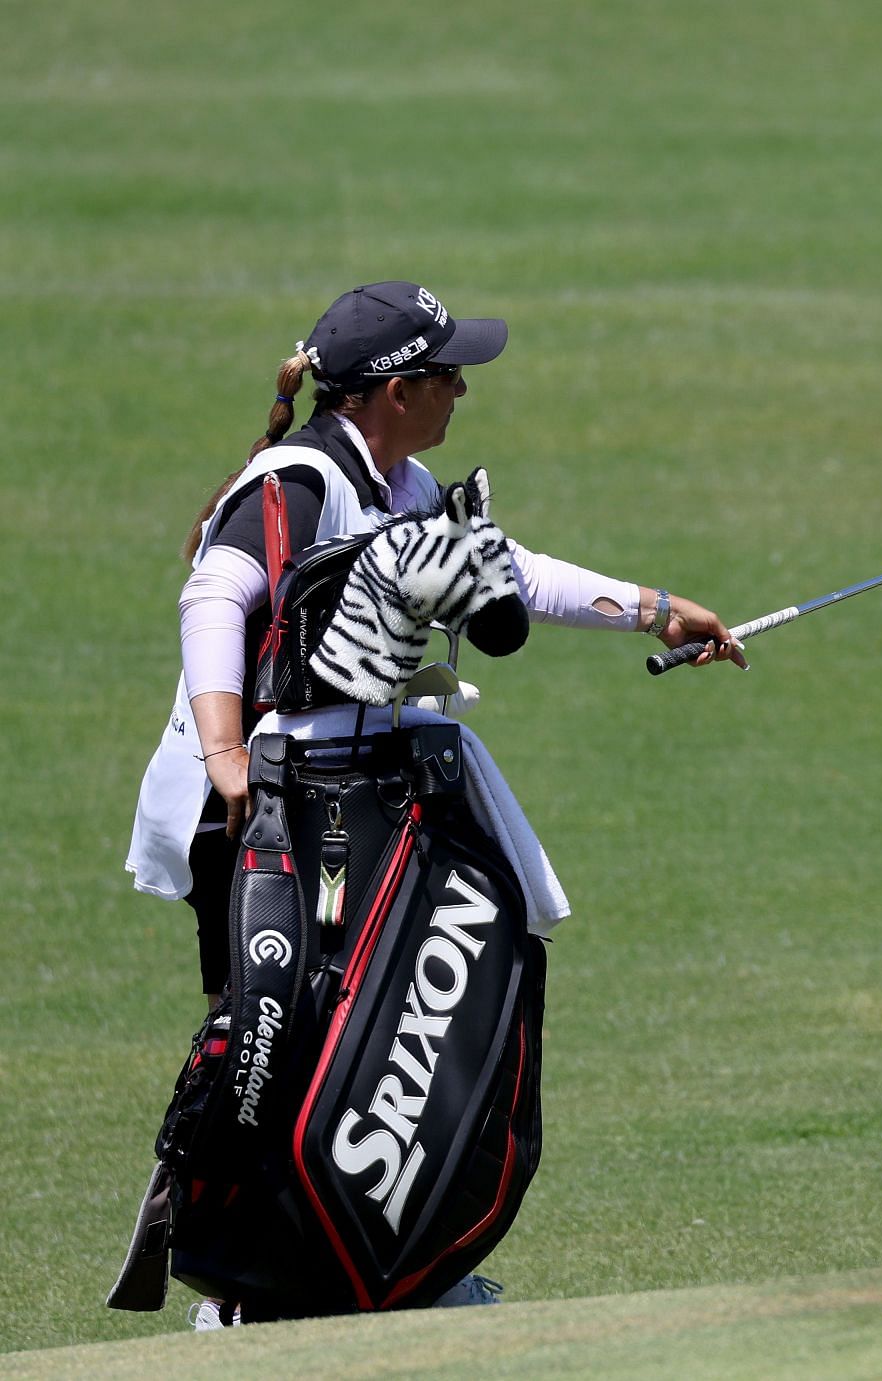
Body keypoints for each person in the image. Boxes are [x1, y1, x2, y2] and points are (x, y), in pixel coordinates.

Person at [126, 281, 745, 1323]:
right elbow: (214, 594)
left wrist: (655, 610)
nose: (463, 388)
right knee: (284, 1043)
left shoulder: (399, 481)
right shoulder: (301, 480)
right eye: (447, 373)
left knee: (371, 1021)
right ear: (394, 390)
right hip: (263, 805)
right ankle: (247, 1289)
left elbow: (511, 573)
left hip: (350, 792)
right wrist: (229, 754)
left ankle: (393, 1259)